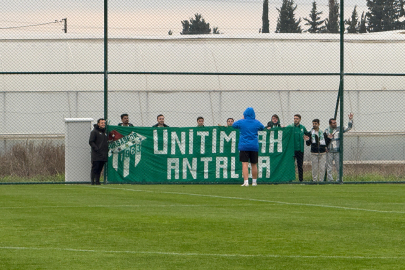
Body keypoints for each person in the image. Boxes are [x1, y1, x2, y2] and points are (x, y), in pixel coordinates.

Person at [232, 107, 265, 186]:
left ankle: (246, 181)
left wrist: (243, 119)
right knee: (254, 164)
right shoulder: (256, 122)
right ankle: (254, 182)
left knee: (245, 163)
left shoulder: (242, 122)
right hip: (254, 146)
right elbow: (262, 127)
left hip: (244, 146)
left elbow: (234, 125)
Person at [325, 113, 354, 182]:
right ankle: (330, 180)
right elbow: (324, 140)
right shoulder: (327, 130)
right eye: (333, 123)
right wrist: (325, 147)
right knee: (329, 167)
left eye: (335, 122)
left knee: (338, 166)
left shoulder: (339, 129)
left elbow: (349, 128)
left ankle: (339, 179)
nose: (335, 124)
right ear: (330, 124)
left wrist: (350, 119)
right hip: (329, 151)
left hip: (338, 151)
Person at [287, 114, 309, 182]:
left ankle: (301, 179)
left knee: (300, 165)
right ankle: (290, 179)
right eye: (294, 118)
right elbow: (284, 131)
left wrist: (307, 137)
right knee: (291, 165)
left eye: (297, 118)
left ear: (299, 119)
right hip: (292, 150)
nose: (295, 120)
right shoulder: (290, 127)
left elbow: (307, 134)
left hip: (300, 150)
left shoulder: (302, 127)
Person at [89, 118, 109, 185]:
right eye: (102, 123)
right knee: (95, 168)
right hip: (96, 154)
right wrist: (97, 149)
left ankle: (97, 181)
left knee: (100, 169)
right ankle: (92, 181)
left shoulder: (105, 132)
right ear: (98, 124)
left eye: (104, 123)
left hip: (103, 154)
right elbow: (91, 142)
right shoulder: (94, 132)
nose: (103, 124)